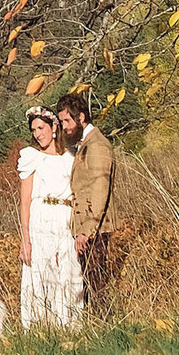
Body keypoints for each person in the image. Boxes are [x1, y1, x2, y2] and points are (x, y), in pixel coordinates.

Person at [15, 103, 83, 329]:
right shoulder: (32, 157)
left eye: (41, 128)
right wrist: (25, 239)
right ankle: (40, 328)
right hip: (40, 218)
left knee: (68, 271)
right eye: (34, 130)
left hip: (65, 218)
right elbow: (25, 202)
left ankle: (70, 325)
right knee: (40, 275)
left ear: (54, 127)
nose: (38, 134)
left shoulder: (70, 156)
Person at [58, 91, 118, 301]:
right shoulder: (85, 144)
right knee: (90, 284)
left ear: (81, 117)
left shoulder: (97, 145)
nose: (65, 126)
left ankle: (102, 327)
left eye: (67, 120)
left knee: (96, 286)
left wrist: (86, 231)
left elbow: (99, 190)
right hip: (88, 228)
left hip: (95, 230)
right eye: (62, 121)